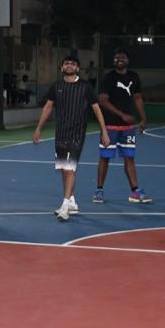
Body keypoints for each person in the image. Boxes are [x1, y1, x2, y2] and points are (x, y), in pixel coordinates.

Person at [33, 51, 110, 221]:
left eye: (73, 64)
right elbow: (48, 107)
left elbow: (96, 108)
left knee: (69, 169)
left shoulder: (85, 86)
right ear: (62, 67)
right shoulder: (57, 86)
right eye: (66, 63)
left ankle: (65, 205)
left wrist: (104, 130)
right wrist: (38, 128)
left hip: (76, 134)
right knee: (64, 168)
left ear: (78, 68)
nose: (69, 65)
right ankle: (72, 201)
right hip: (60, 133)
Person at [93, 47, 151, 205]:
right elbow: (103, 100)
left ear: (128, 60)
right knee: (105, 158)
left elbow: (137, 98)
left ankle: (135, 191)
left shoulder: (134, 76)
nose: (119, 59)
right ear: (113, 61)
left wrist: (143, 118)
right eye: (116, 57)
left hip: (128, 128)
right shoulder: (108, 78)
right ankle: (99, 190)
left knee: (129, 158)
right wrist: (121, 115)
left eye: (122, 57)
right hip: (110, 125)